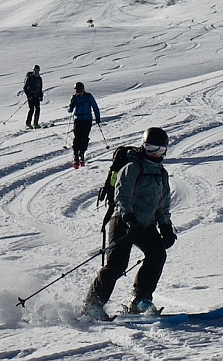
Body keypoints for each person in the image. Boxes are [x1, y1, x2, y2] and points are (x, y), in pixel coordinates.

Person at [84, 127, 177, 319]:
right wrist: (129, 219)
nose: (155, 153)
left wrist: (166, 227)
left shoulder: (162, 174)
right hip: (123, 221)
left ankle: (140, 299)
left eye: (159, 150)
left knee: (157, 255)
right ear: (143, 146)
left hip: (146, 224)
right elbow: (121, 196)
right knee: (117, 264)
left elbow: (162, 205)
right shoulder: (133, 167)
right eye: (151, 148)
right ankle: (93, 304)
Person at [67, 82, 103, 168]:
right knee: (77, 137)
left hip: (87, 120)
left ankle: (82, 152)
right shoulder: (74, 98)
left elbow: (95, 107)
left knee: (85, 137)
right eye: (77, 91)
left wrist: (97, 117)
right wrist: (71, 106)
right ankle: (75, 154)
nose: (79, 92)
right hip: (78, 120)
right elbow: (69, 110)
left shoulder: (88, 96)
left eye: (80, 90)